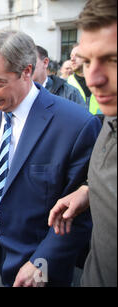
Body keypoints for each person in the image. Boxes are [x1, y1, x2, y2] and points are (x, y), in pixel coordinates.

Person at [0, 29, 101, 287]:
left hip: (43, 263)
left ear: (27, 71)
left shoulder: (76, 124)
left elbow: (80, 216)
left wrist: (42, 262)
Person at [48, 0, 117, 287]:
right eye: (87, 61)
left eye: (114, 60)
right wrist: (89, 190)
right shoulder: (109, 118)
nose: (93, 79)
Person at [68, 44, 102, 116]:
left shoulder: (104, 83)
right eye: (71, 56)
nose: (72, 59)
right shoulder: (65, 84)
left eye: (77, 55)